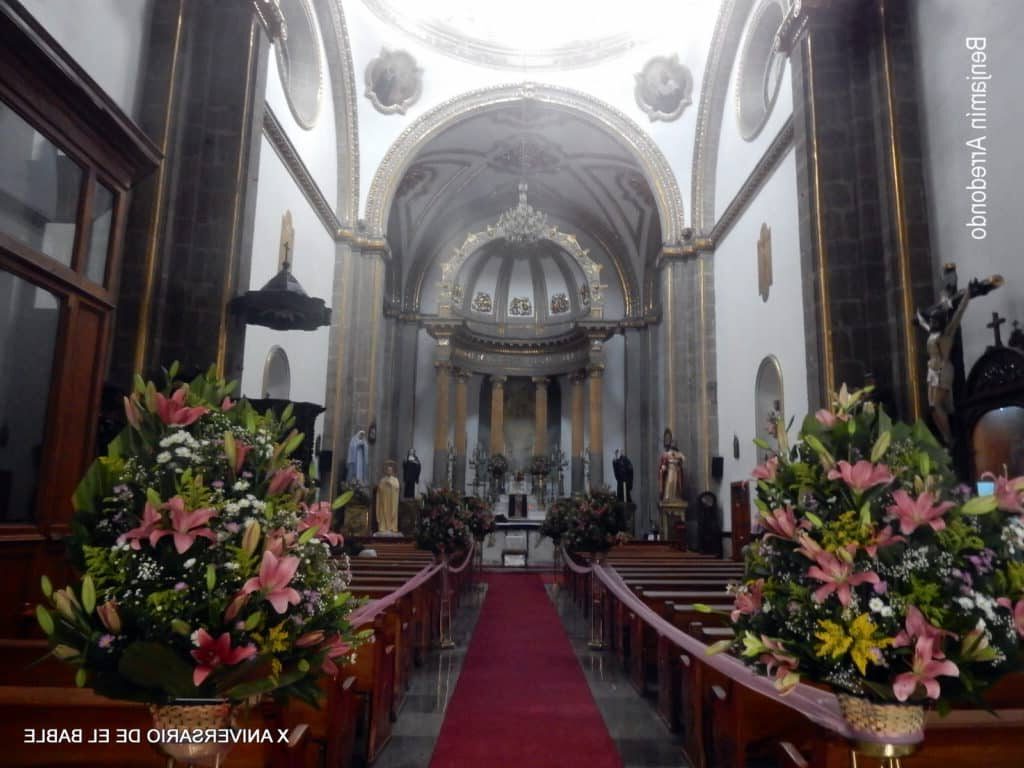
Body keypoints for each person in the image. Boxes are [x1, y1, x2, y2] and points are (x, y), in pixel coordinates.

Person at [375, 462, 400, 533]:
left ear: (392, 471)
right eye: (388, 470)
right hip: (384, 500)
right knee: (383, 512)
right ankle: (383, 527)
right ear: (385, 471)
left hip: (392, 501)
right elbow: (379, 489)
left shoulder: (395, 480)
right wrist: (383, 485)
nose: (389, 471)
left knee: (392, 512)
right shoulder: (382, 480)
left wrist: (391, 484)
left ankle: (392, 527)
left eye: (390, 470)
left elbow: (397, 488)